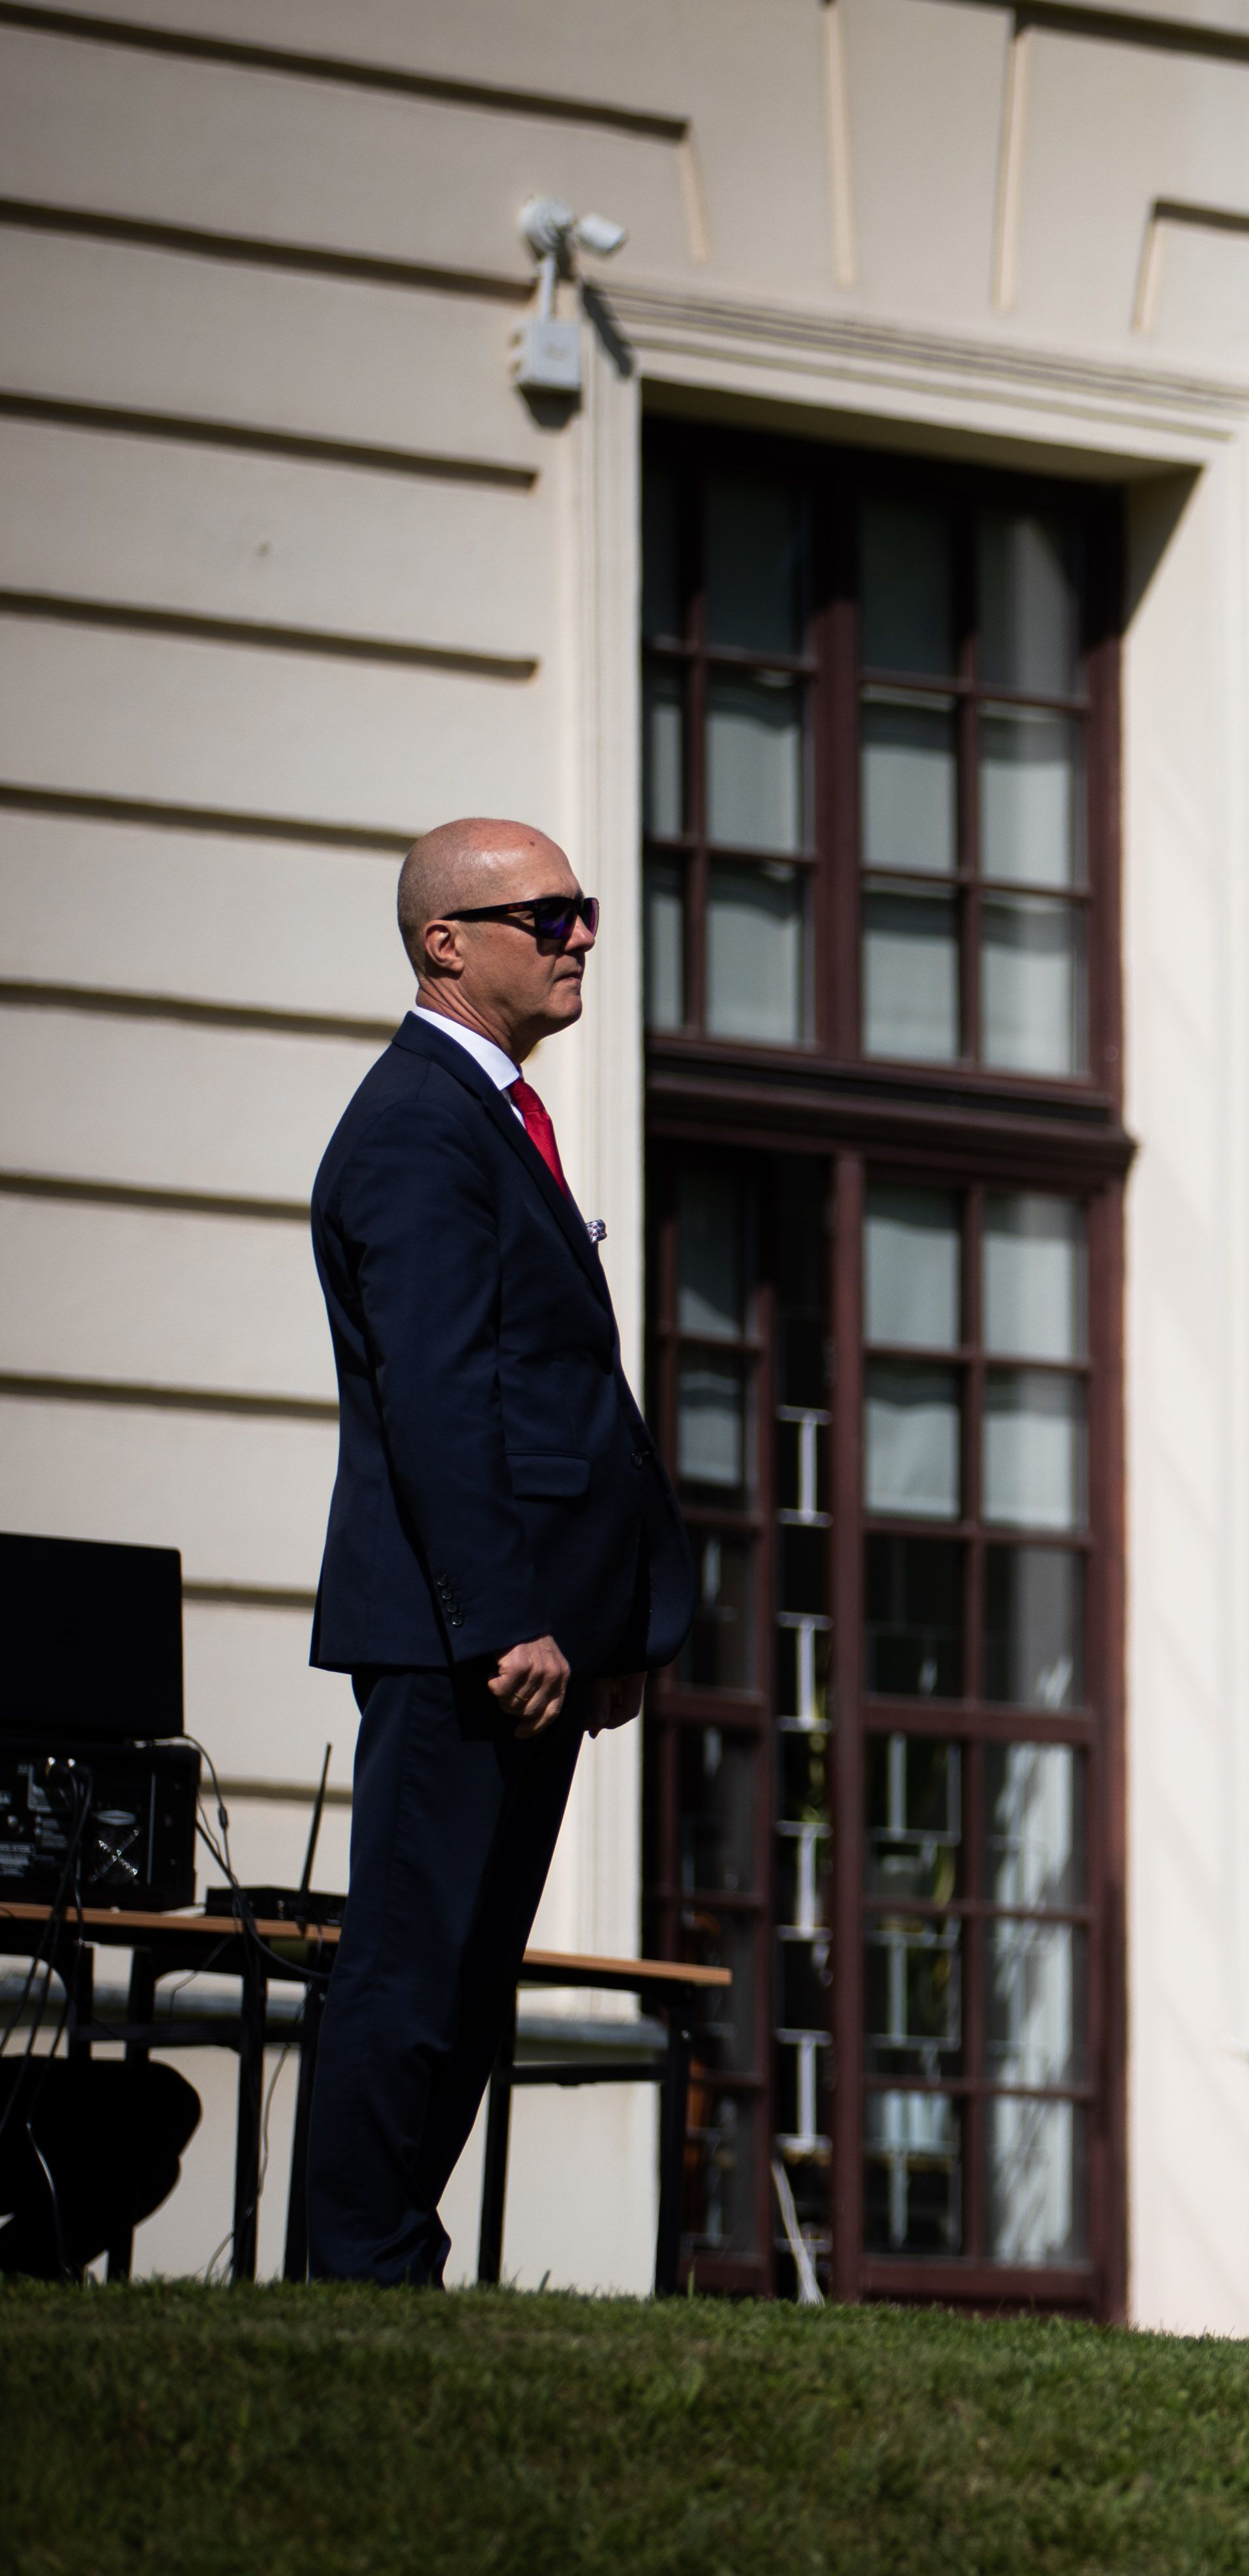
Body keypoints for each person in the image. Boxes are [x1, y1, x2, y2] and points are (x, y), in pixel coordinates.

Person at [304, 817, 693, 2285]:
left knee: (467, 1977)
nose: (581, 934)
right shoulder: (415, 1123)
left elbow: (559, 1385)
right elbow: (442, 1395)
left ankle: (387, 2261)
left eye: (583, 909)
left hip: (532, 1638)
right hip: (463, 1636)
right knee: (415, 1965)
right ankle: (358, 2269)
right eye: (548, 914)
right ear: (445, 945)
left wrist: (615, 1623)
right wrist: (509, 1619)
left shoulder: (491, 1116)